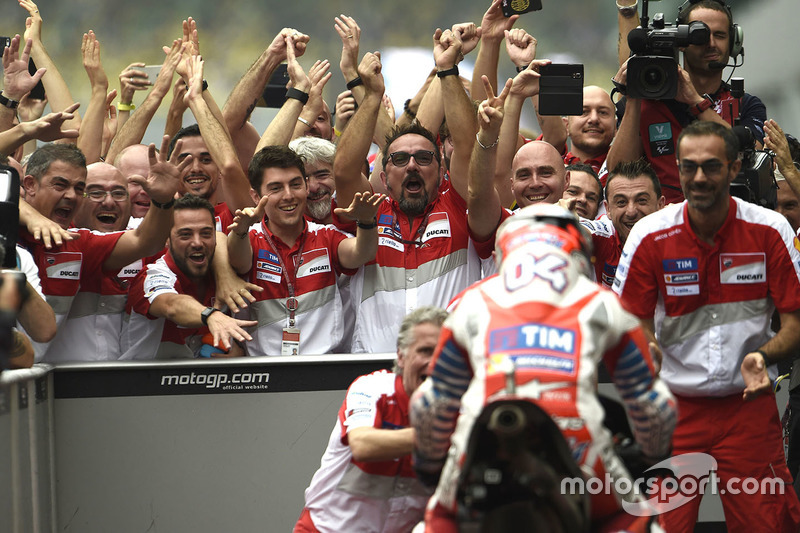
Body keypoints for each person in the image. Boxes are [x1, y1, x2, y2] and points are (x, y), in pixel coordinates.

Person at [410, 204, 676, 532]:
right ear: (579, 253)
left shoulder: (469, 302)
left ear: (504, 252)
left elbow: (430, 404)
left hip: (483, 450)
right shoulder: (603, 301)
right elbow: (655, 405)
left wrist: (430, 466)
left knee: (436, 522)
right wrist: (652, 456)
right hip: (580, 451)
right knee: (635, 518)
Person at [613, 120, 800, 530]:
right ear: (677, 169)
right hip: (674, 409)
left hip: (748, 407)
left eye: (712, 166)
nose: (699, 177)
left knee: (769, 524)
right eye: (688, 167)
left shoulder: (771, 230)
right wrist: (649, 351)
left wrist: (761, 356)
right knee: (661, 526)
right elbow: (631, 324)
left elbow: (795, 323)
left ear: (734, 169)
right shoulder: (648, 235)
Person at [333, 31, 495, 353]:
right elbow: (344, 170)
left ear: (442, 169)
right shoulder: (369, 210)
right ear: (383, 174)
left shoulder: (459, 205)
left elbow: (465, 148)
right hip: (374, 369)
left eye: (424, 158)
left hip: (451, 367)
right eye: (399, 159)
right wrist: (372, 96)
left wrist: (447, 71)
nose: (412, 166)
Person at [19, 138, 191, 363]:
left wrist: (162, 200)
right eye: (60, 185)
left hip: (54, 385)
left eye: (79, 189)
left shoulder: (78, 243)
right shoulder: (9, 232)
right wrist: (26, 214)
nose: (71, 195)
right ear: (29, 185)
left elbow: (146, 242)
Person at [294, 306, 448, 533]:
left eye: (444, 353)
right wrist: (444, 436)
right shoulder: (372, 387)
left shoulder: (461, 405)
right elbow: (363, 445)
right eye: (425, 351)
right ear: (401, 356)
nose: (434, 363)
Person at [226, 145, 383, 356]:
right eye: (275, 188)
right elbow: (240, 261)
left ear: (306, 186)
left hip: (323, 367)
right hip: (264, 372)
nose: (289, 195)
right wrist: (241, 231)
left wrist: (366, 222)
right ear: (255, 196)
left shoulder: (326, 235)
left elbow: (360, 253)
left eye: (295, 184)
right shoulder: (250, 237)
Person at [607, 0, 766, 204]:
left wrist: (696, 103)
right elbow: (618, 174)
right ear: (681, 42)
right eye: (700, 35)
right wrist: (634, 96)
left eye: (720, 35)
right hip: (664, 225)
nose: (711, 43)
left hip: (727, 217)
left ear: (734, 42)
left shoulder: (745, 103)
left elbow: (754, 158)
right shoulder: (646, 105)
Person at [121, 194, 256, 359]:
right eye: (185, 235)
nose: (197, 242)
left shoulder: (220, 272)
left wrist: (236, 350)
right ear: (166, 239)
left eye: (206, 234)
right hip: (144, 381)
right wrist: (211, 316)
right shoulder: (152, 275)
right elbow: (172, 305)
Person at [581, 159, 665, 288]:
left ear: (660, 205)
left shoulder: (677, 234)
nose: (631, 212)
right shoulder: (605, 233)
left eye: (641, 200)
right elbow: (576, 229)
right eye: (621, 202)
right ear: (607, 209)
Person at [288, 136, 336, 224]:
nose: (313, 187)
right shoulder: (284, 224)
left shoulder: (356, 214)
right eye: (302, 180)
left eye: (322, 175)